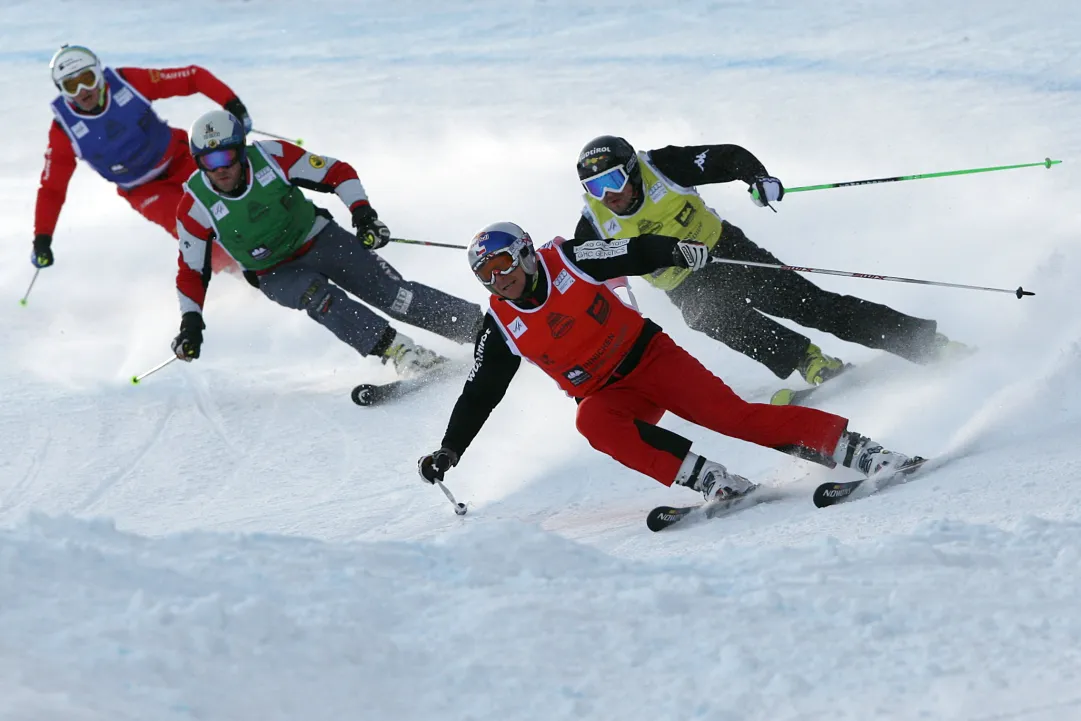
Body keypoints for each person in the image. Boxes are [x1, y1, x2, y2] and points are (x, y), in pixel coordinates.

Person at [417, 221, 922, 502]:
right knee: (591, 420)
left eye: (503, 263)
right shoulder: (502, 325)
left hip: (650, 359)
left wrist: (676, 251)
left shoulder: (569, 258)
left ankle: (857, 450)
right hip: (610, 393)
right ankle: (711, 480)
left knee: (734, 418)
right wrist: (450, 449)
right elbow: (481, 388)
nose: (498, 278)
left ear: (525, 255)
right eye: (485, 274)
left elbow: (630, 250)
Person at [572, 135, 969, 393]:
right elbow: (582, 269)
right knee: (707, 316)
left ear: (631, 172)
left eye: (612, 182)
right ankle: (810, 361)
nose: (608, 195)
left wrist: (757, 178)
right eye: (595, 188)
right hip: (684, 283)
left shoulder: (661, 166)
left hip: (726, 251)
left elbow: (726, 158)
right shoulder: (594, 223)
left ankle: (926, 343)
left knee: (808, 304)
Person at [170, 109, 484, 376]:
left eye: (226, 155)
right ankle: (402, 352)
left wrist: (363, 216)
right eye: (209, 161)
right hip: (274, 271)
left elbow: (337, 172)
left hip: (319, 238)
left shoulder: (272, 157)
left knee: (390, 294)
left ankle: (480, 328)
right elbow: (191, 271)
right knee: (318, 298)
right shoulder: (195, 206)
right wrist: (191, 323)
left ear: (240, 150)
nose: (220, 168)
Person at [32, 44, 244, 274]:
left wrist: (233, 105)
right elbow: (52, 188)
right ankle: (248, 277)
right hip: (145, 190)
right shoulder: (64, 130)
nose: (83, 90)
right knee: (194, 231)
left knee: (239, 196)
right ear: (61, 90)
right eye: (71, 85)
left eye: (88, 78)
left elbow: (192, 77)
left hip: (182, 159)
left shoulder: (127, 82)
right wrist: (42, 239)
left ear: (99, 73)